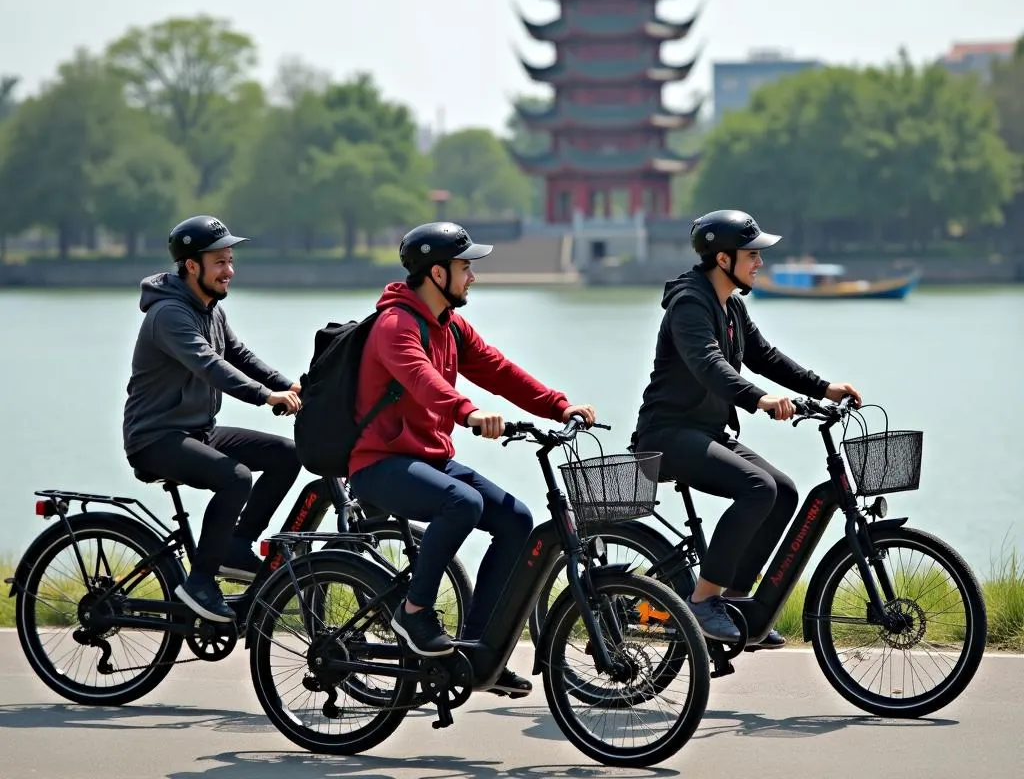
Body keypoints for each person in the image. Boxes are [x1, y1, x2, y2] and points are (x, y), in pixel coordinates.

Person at [347, 221, 597, 697]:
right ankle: (415, 612)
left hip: (428, 459)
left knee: (516, 519)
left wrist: (558, 405)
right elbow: (421, 378)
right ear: (437, 273)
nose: (473, 277)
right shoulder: (395, 324)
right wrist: (468, 411)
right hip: (380, 464)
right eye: (466, 268)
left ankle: (481, 650)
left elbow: (499, 370)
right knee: (463, 503)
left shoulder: (450, 325)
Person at [631, 209, 861, 646]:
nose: (760, 262)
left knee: (784, 491)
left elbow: (765, 356)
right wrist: (758, 399)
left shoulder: (731, 305)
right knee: (758, 487)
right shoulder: (690, 303)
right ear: (722, 259)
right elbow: (708, 364)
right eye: (752, 254)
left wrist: (823, 387)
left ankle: (735, 603)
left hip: (707, 432)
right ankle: (703, 600)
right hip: (666, 437)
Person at [122, 215, 303, 624]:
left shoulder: (210, 310)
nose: (230, 271)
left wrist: (290, 385)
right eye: (220, 262)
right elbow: (209, 365)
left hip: (197, 431)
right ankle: (200, 580)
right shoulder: (169, 315)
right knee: (235, 476)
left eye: (231, 261)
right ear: (191, 265)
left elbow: (239, 355)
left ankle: (236, 546)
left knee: (286, 455)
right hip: (155, 437)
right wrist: (265, 396)